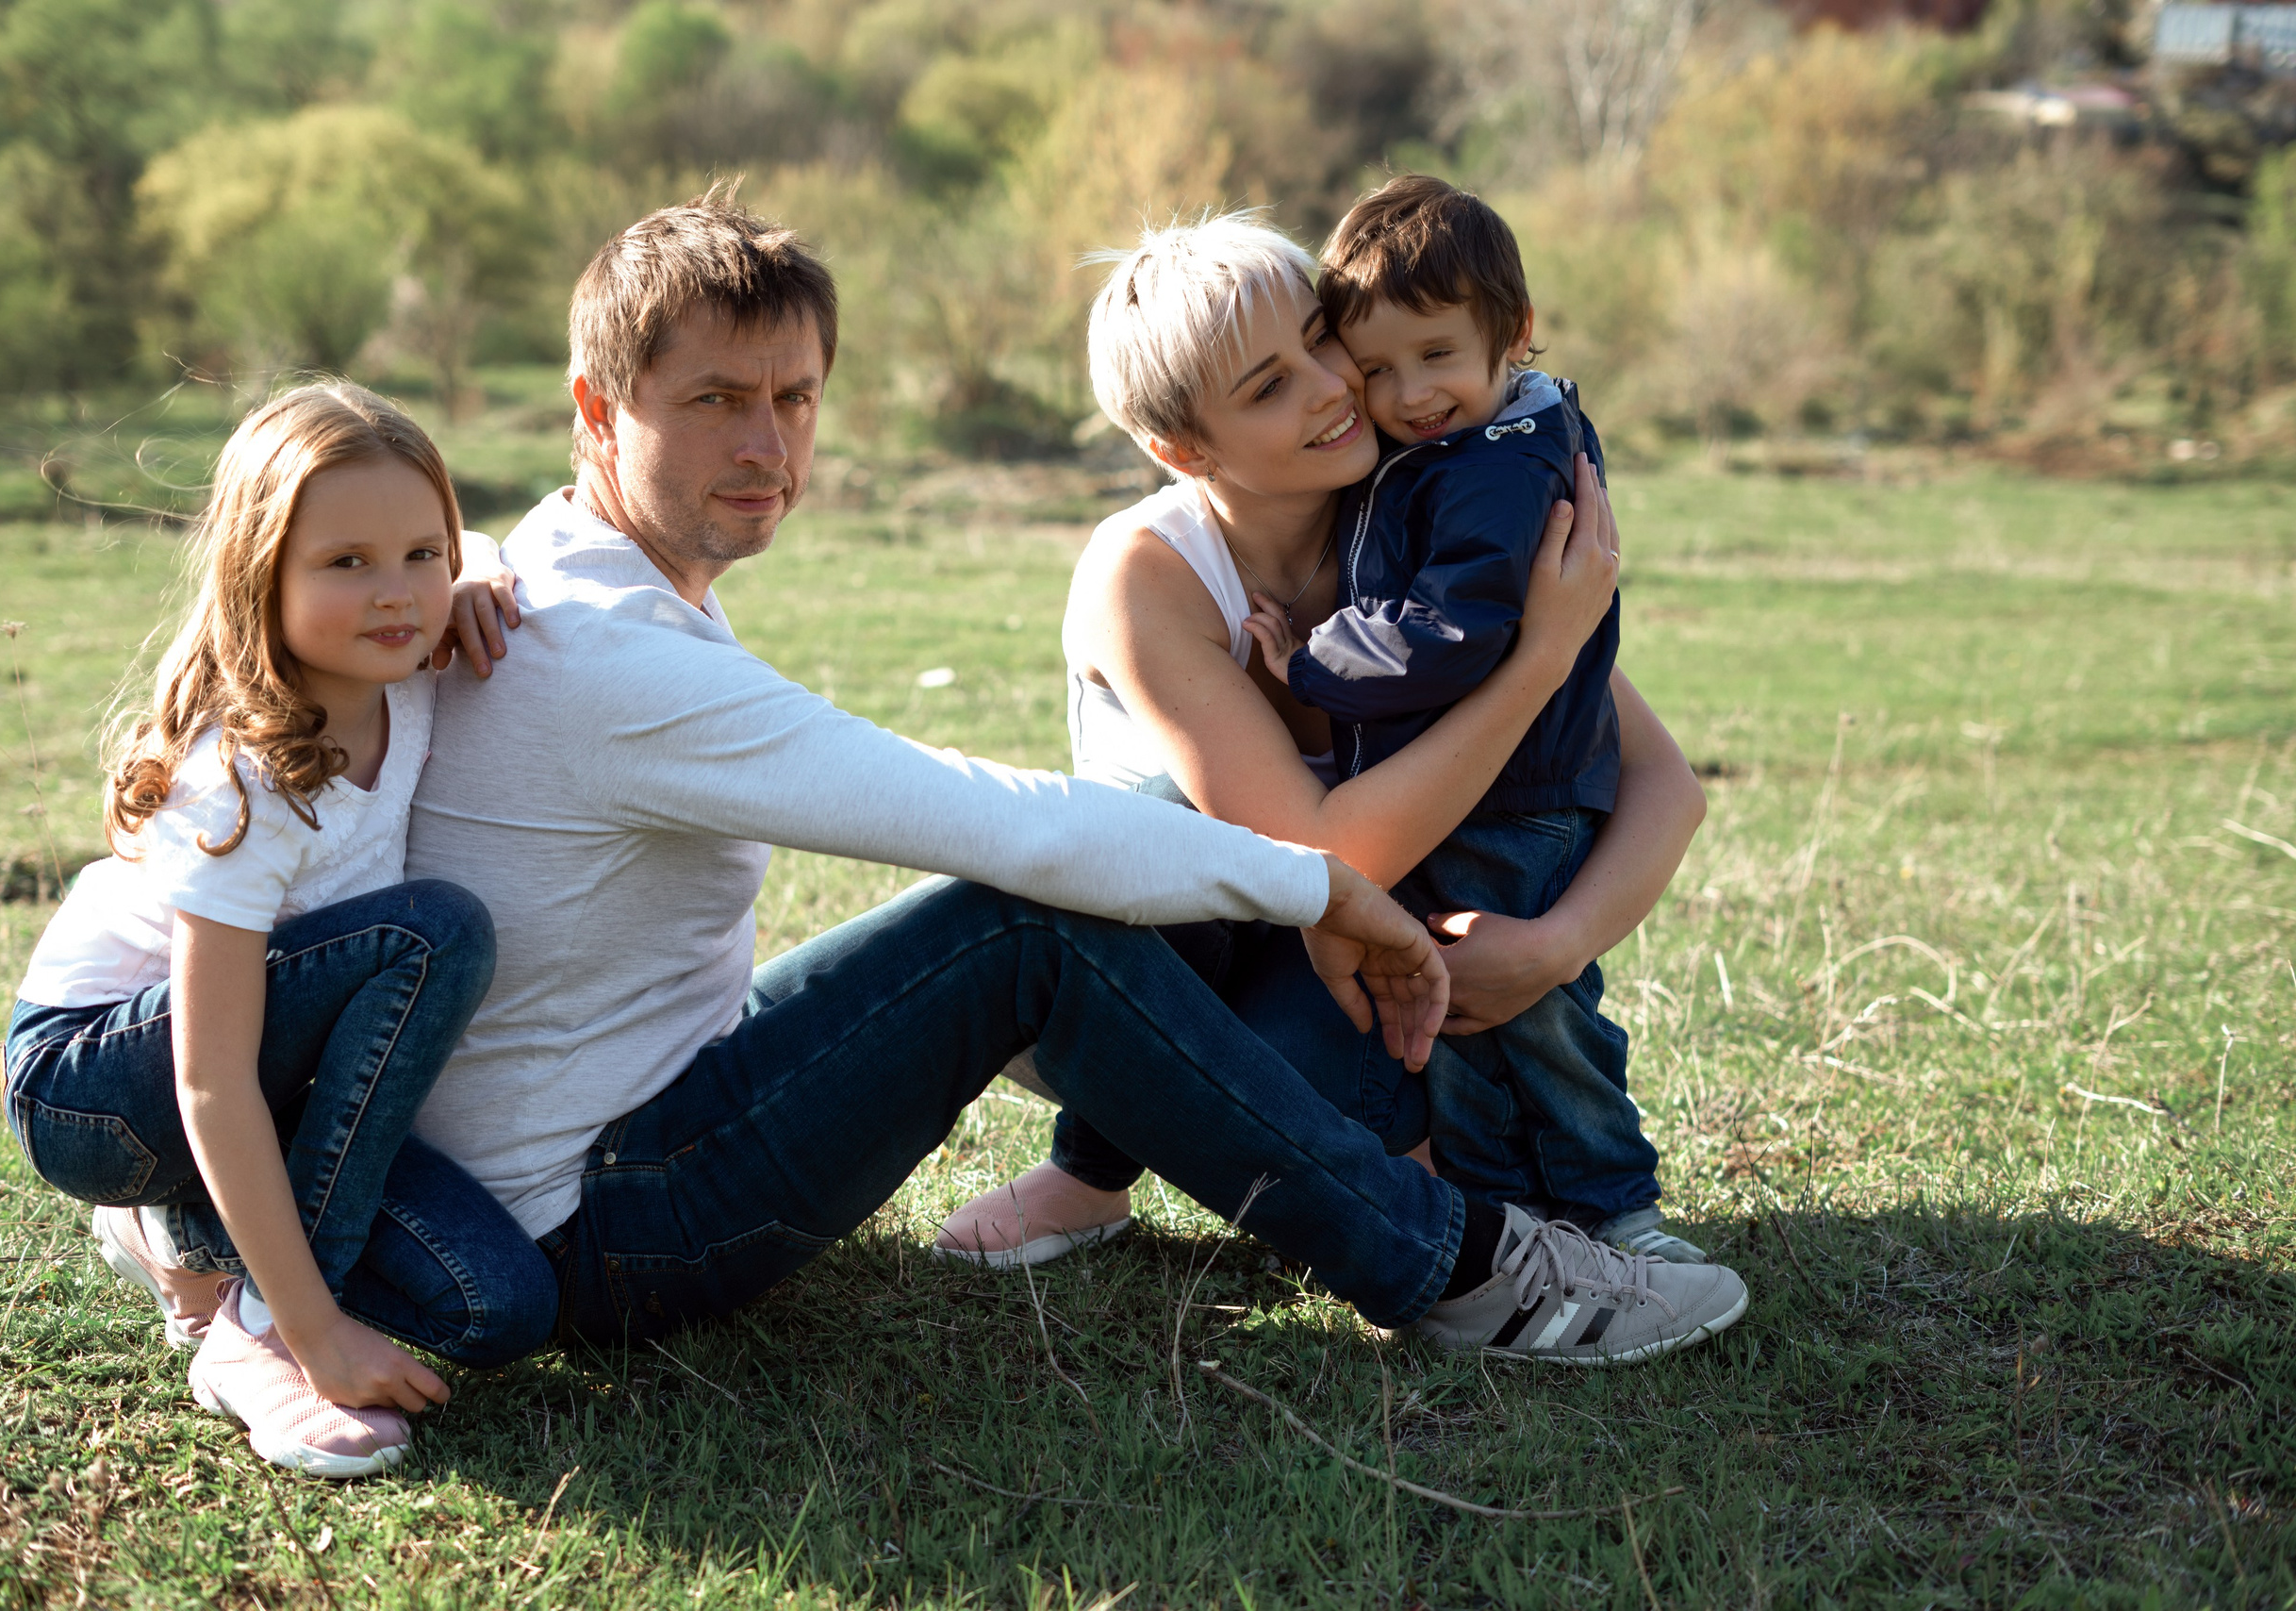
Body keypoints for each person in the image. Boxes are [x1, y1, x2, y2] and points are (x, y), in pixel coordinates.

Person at [409, 189, 1743, 1367]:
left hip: (661, 1095)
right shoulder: (604, 649)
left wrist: (468, 557)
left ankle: (1386, 1174)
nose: (768, 445)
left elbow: (1656, 776)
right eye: (717, 401)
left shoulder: (561, 576)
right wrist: (1328, 889)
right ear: (597, 411)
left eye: (795, 398)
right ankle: (1461, 1273)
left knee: (1071, 906)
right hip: (612, 1216)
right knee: (1029, 914)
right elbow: (981, 821)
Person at [937, 210, 1744, 1359]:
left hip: (1352, 957)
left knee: (1415, 1125)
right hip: (1160, 965)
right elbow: (1327, 854)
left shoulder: (1423, 519)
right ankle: (1095, 1160)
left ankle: (1305, 1149)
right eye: (1270, 385)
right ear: (1184, 448)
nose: (1332, 387)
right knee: (1174, 846)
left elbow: (1666, 784)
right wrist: (1538, 659)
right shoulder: (1149, 572)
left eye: (1323, 340)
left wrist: (1554, 947)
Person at [1, 384, 552, 1479]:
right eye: (345, 562)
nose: (395, 592)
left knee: (502, 1305)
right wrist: (312, 1326)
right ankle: (252, 1331)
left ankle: (174, 1233)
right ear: (260, 573)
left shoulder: (407, 669)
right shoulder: (242, 781)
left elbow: (464, 552)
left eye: (421, 555)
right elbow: (208, 1079)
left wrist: (477, 567)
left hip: (260, 1067)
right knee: (431, 934)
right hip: (96, 1086)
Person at [1247, 174, 1702, 1263]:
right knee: (1458, 1016)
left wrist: (1314, 661)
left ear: (1515, 330)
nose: (1409, 393)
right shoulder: (1466, 444)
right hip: (1478, 790)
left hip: (1513, 799)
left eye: (1436, 354)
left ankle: (1616, 1208)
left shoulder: (1501, 468)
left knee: (1535, 1015)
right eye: (1376, 368)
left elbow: (1455, 631)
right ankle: (1511, 1210)